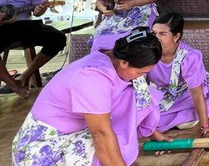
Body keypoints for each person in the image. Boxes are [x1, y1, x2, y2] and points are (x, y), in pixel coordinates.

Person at [12, 29, 169, 165]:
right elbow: (101, 133)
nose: (140, 77)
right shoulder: (92, 78)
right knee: (108, 144)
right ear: (124, 63)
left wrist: (152, 132)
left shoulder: (113, 57)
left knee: (137, 90)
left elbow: (137, 102)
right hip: (47, 142)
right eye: (140, 72)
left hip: (78, 128)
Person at [150, 12, 209, 134]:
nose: (156, 38)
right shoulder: (147, 50)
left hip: (186, 92)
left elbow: (196, 93)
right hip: (159, 93)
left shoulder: (189, 57)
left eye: (162, 34)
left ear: (176, 37)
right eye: (153, 33)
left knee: (176, 121)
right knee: (147, 118)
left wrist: (205, 126)